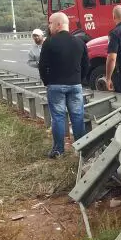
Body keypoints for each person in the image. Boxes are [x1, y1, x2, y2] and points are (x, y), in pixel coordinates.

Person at [39, 13, 89, 158]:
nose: (49, 26)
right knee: (77, 117)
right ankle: (82, 150)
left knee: (59, 118)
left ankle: (58, 150)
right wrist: (79, 79)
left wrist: (47, 81)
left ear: (58, 24)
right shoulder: (79, 42)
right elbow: (86, 64)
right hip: (75, 85)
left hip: (55, 85)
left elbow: (42, 66)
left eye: (50, 23)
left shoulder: (49, 42)